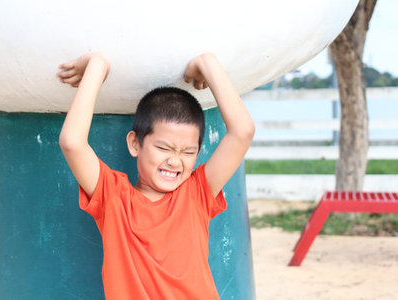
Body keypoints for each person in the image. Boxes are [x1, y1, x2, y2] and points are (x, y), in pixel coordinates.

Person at [57, 52, 255, 299]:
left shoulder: (197, 193)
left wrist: (207, 63)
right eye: (163, 148)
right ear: (135, 144)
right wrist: (97, 67)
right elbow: (72, 143)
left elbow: (242, 132)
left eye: (188, 152)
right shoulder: (114, 196)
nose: (174, 161)